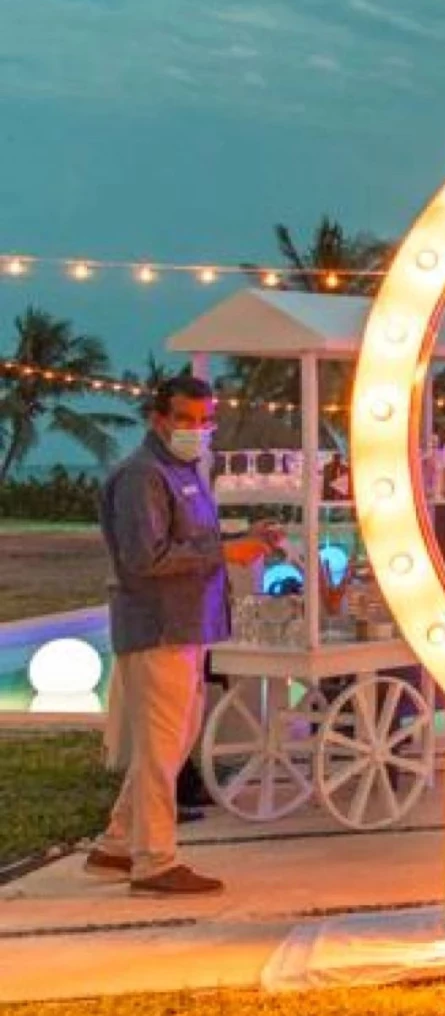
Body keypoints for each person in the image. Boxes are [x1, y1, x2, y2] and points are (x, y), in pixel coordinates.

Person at [84, 377, 280, 895]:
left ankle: (116, 844)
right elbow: (143, 559)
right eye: (185, 419)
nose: (196, 430)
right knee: (161, 746)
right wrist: (225, 554)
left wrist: (243, 539)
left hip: (188, 624)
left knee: (174, 740)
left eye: (204, 419)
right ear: (158, 418)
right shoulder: (141, 476)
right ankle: (154, 862)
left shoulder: (183, 472)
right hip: (158, 626)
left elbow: (192, 541)